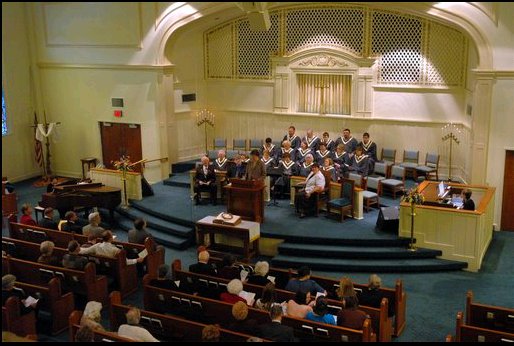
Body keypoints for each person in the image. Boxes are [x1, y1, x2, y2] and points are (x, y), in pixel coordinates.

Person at [79, 230, 144, 266]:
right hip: (115, 267)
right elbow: (125, 262)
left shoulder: (97, 246)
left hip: (104, 266)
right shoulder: (115, 250)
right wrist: (136, 260)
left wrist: (71, 249)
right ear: (110, 239)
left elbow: (84, 251)